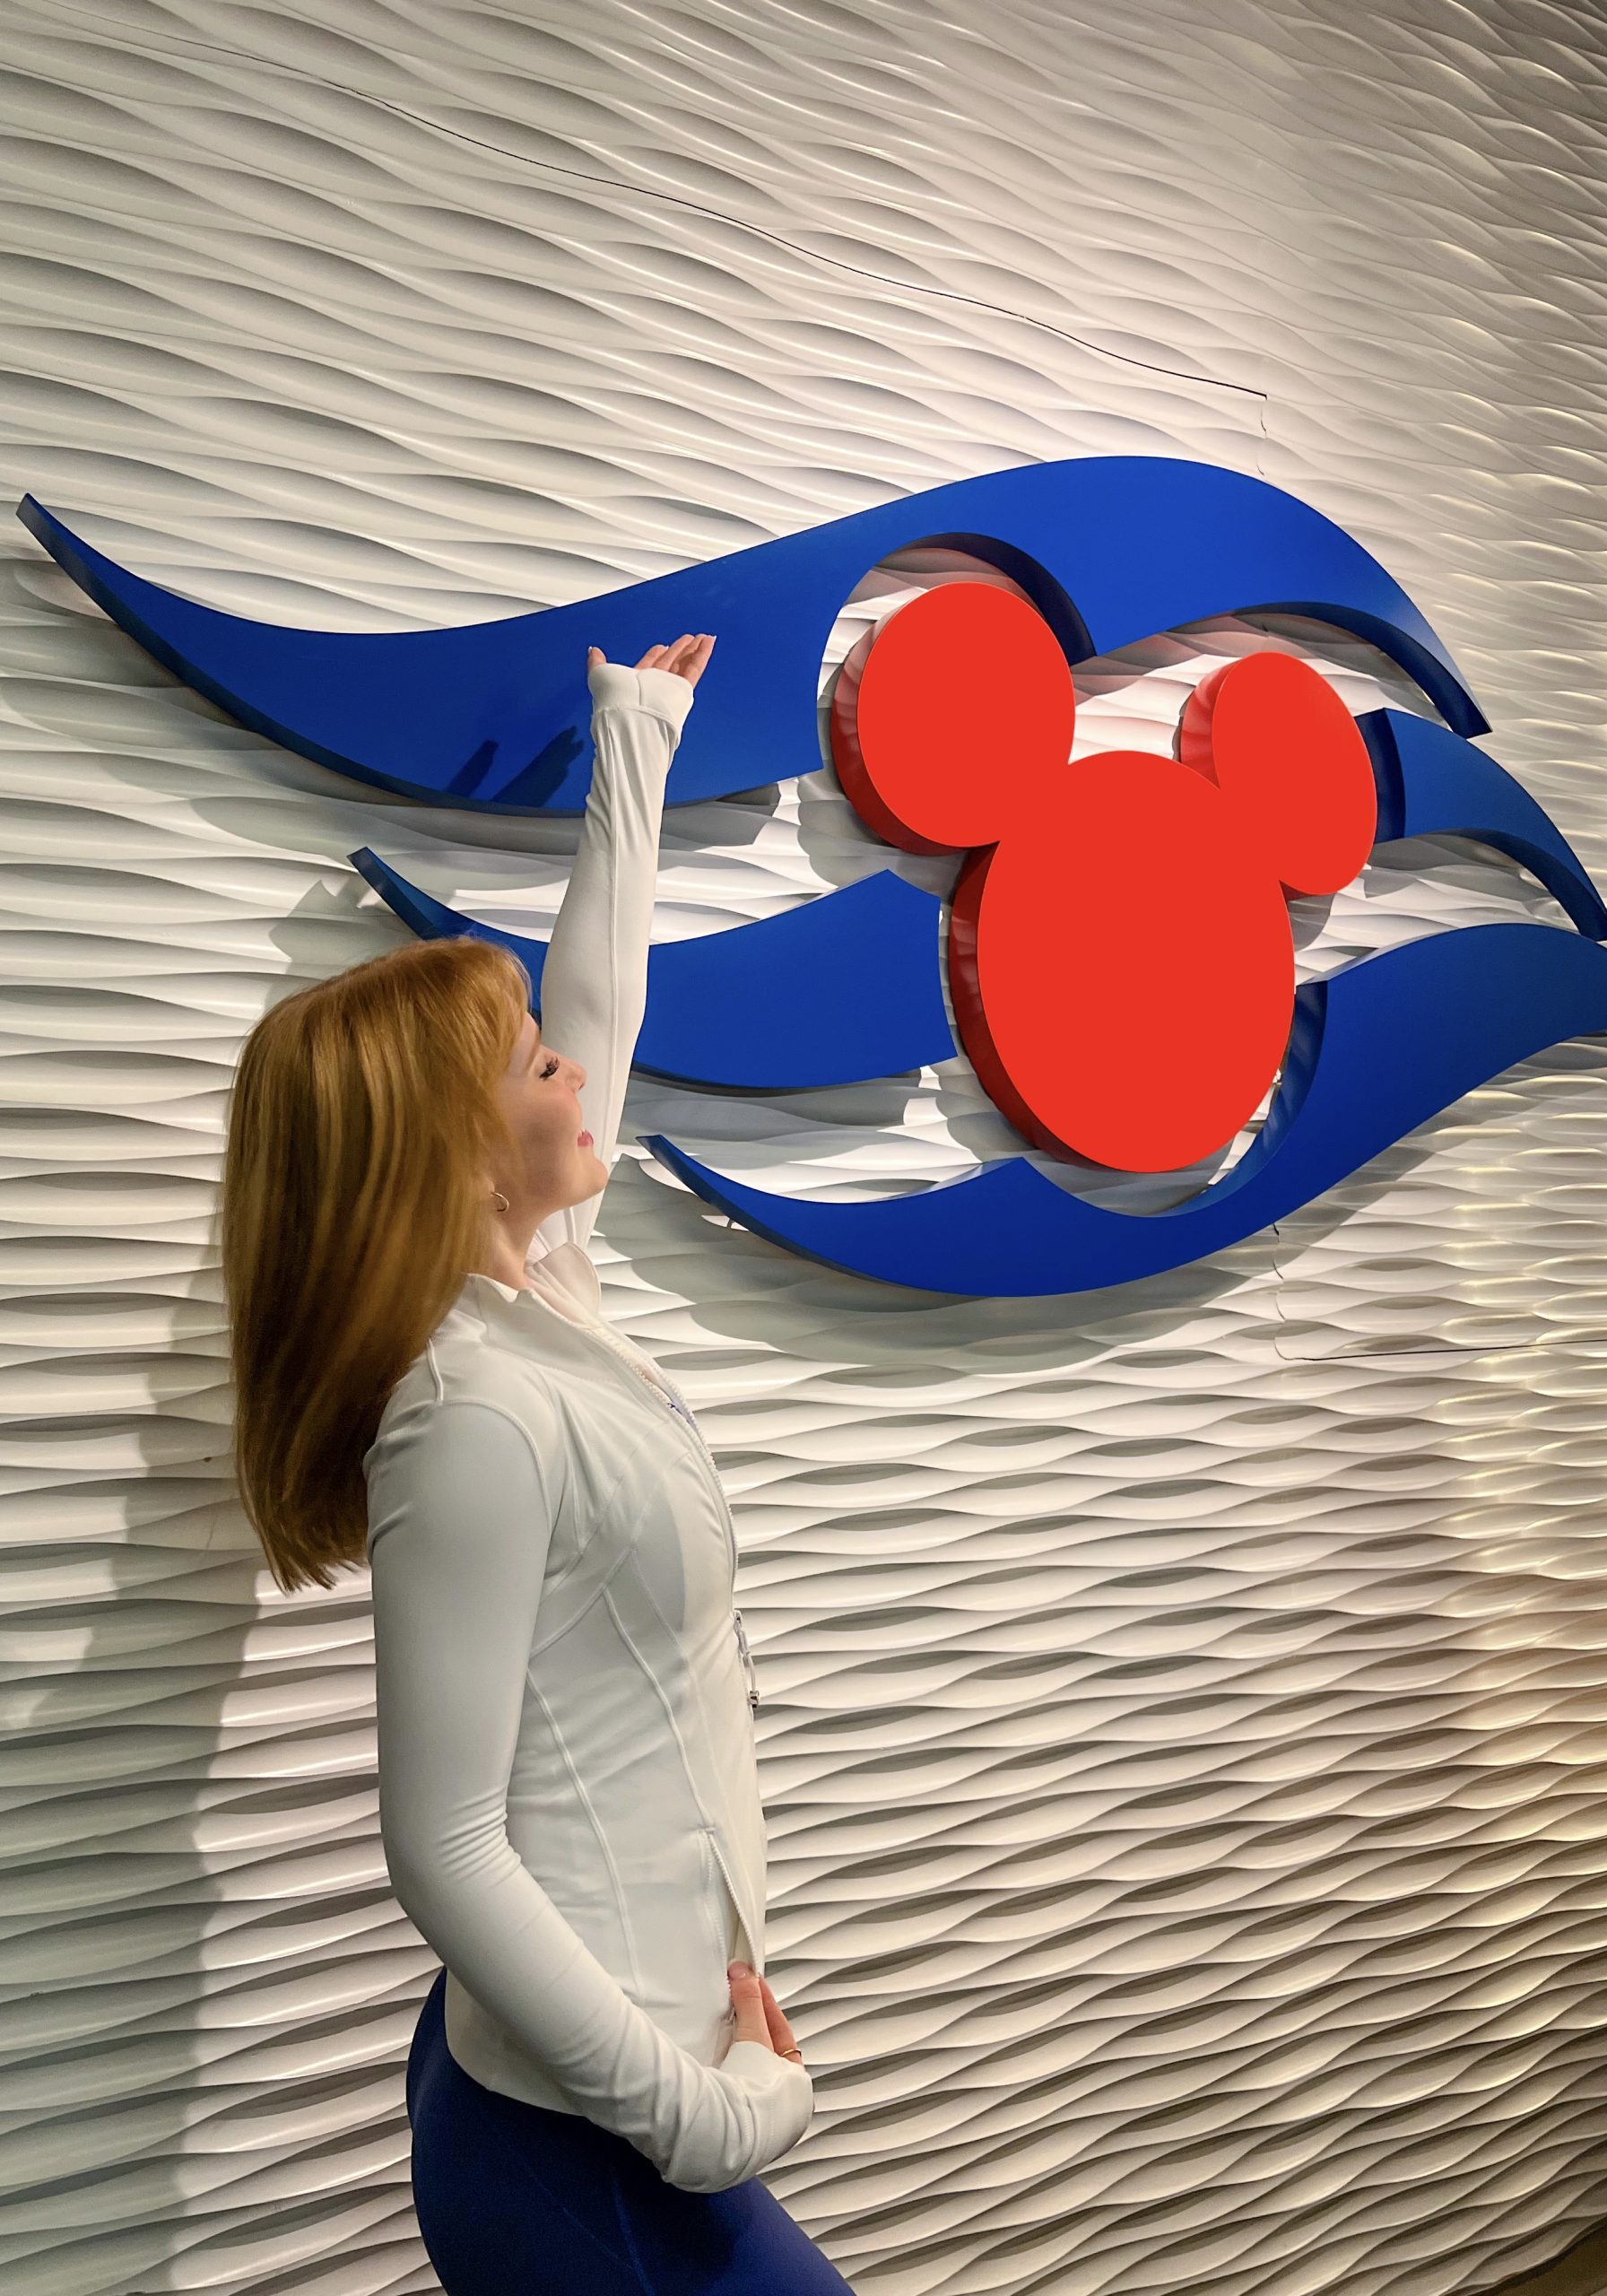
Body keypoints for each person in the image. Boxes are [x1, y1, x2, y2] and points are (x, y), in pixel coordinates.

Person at [222, 634, 855, 2293]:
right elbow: (442, 1843)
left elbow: (599, 997)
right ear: (446, 1145)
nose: (566, 1066)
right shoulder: (474, 1411)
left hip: (618, 2107)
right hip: (588, 2146)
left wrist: (634, 735)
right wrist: (693, 2123)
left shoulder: (543, 1301)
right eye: (524, 1065)